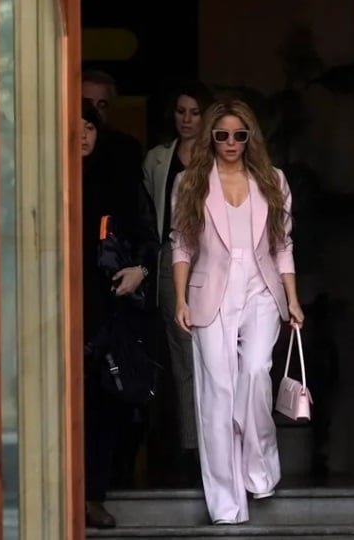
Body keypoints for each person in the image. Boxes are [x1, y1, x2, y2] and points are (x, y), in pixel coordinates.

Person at [170, 98, 305, 524]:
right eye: (223, 134)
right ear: (211, 136)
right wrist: (179, 299)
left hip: (262, 288)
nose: (231, 142)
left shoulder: (273, 179)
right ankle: (227, 502)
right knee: (218, 392)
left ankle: (260, 467)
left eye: (239, 135)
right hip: (210, 289)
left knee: (254, 374)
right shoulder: (191, 182)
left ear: (250, 137)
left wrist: (293, 299)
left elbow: (283, 245)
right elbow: (181, 243)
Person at [80, 99, 159, 528]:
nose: (83, 135)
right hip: (53, 311)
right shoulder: (43, 176)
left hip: (108, 309)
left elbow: (148, 236)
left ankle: (94, 495)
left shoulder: (119, 179)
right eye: (74, 127)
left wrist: (139, 270)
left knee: (104, 403)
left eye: (89, 126)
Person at [142, 81, 214, 484]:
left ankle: (219, 442)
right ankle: (193, 448)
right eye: (180, 112)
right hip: (173, 258)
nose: (186, 120)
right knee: (183, 355)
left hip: (217, 260)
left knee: (218, 354)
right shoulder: (157, 159)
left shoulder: (221, 155)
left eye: (194, 112)